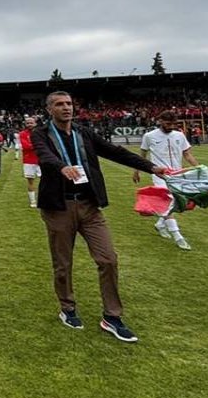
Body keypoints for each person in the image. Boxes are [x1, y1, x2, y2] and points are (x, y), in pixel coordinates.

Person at [31, 92, 164, 343]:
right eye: (59, 104)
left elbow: (115, 151)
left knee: (108, 259)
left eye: (69, 103)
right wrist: (61, 167)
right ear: (50, 109)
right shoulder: (41, 133)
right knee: (63, 263)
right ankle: (68, 308)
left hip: (89, 206)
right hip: (59, 207)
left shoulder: (84, 133)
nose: (66, 108)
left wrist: (152, 168)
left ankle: (112, 317)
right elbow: (44, 156)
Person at [134, 111, 200, 250]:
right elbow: (142, 155)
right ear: (160, 121)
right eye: (167, 123)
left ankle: (160, 224)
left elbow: (187, 154)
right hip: (160, 176)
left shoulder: (179, 135)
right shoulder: (149, 136)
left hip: (177, 174)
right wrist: (136, 171)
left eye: (173, 124)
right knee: (167, 201)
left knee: (179, 203)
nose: (170, 126)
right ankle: (178, 236)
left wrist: (199, 168)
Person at [19, 117, 42, 207]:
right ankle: (32, 201)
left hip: (40, 160)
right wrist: (36, 145)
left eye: (31, 123)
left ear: (35, 123)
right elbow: (25, 146)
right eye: (27, 123)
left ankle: (42, 198)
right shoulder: (22, 134)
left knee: (44, 181)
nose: (29, 124)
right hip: (28, 160)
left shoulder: (40, 133)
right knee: (30, 181)